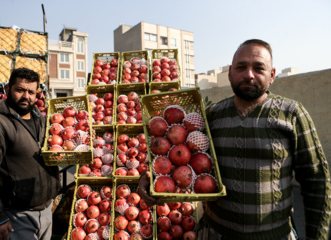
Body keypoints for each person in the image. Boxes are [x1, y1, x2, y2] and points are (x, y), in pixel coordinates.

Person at [138, 39, 331, 240]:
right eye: (241, 67)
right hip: (214, 234)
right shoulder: (212, 115)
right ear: (230, 73)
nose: (249, 74)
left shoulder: (292, 114)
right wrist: (150, 179)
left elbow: (316, 182)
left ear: (271, 75)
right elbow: (184, 164)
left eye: (258, 68)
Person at [0, 68, 60, 240]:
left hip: (46, 211)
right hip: (16, 216)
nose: (26, 96)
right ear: (7, 90)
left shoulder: (43, 122)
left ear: (36, 95)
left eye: (31, 92)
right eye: (20, 90)